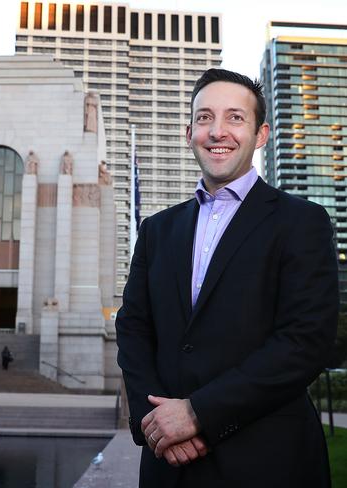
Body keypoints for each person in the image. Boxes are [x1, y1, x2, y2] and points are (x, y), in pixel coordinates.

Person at [115, 68, 338, 488]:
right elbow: (133, 328)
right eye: (204, 118)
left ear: (260, 135)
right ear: (189, 133)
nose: (218, 131)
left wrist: (198, 413)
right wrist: (154, 422)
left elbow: (306, 340)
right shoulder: (157, 230)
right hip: (169, 468)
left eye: (235, 117)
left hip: (267, 463)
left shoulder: (301, 222)